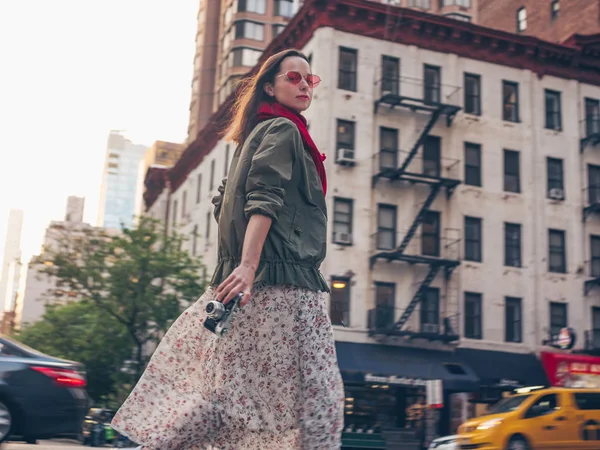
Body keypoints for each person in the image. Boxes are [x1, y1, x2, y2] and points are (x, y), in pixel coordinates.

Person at [110, 48, 345, 450]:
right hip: (282, 286)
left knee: (225, 393)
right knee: (316, 401)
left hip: (252, 284)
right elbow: (263, 198)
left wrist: (242, 265)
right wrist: (250, 265)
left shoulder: (257, 135)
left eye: (310, 78)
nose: (305, 84)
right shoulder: (284, 131)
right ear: (270, 86)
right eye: (294, 77)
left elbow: (226, 202)